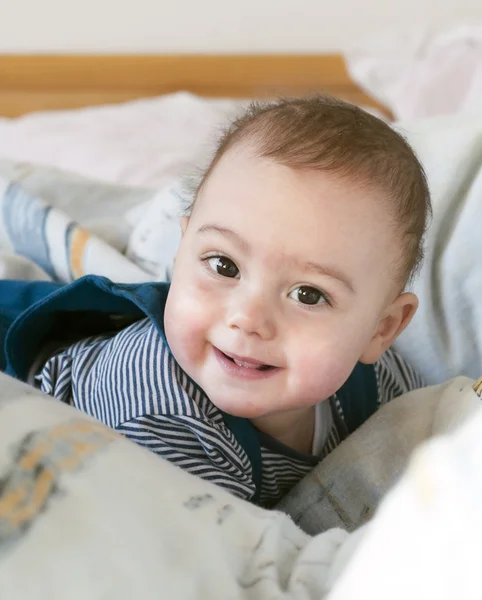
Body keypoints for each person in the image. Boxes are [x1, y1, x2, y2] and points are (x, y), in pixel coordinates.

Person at [0, 96, 431, 506]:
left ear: (381, 328)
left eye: (308, 294)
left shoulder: (382, 391)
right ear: (182, 245)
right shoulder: (159, 413)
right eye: (224, 266)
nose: (247, 318)